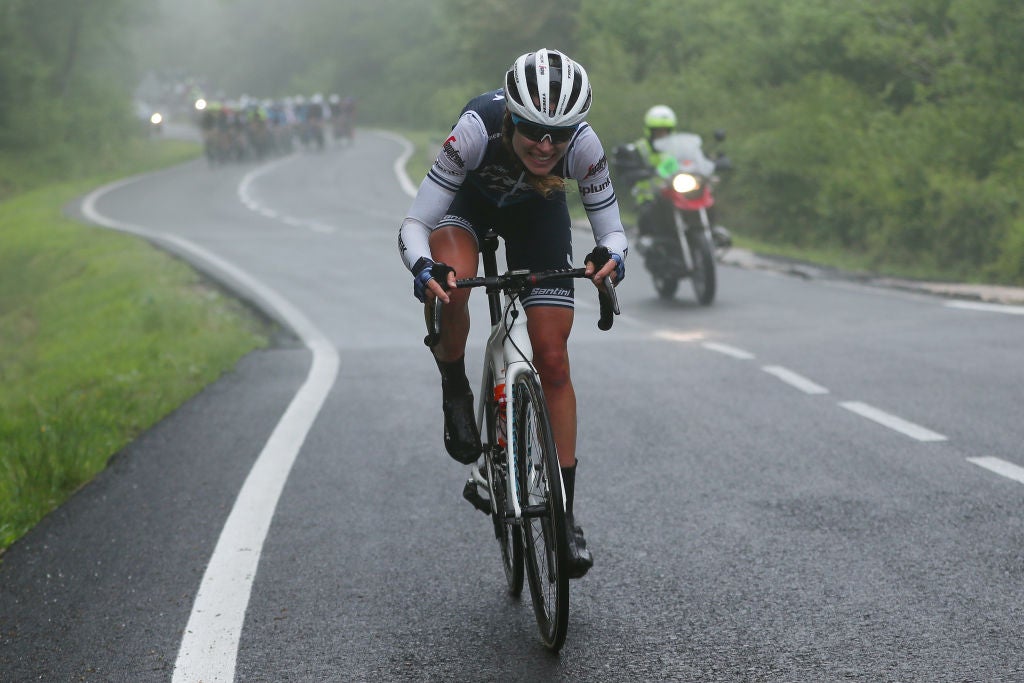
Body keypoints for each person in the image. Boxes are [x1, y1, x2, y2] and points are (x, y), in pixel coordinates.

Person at [398, 48, 628, 579]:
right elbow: (415, 223)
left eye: (560, 134)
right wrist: (423, 266)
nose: (547, 145)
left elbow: (611, 230)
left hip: (537, 216)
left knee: (553, 357)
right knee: (454, 286)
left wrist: (608, 258)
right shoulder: (477, 128)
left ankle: (565, 518)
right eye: (533, 131)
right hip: (465, 211)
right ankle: (454, 380)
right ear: (512, 120)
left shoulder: (584, 147)